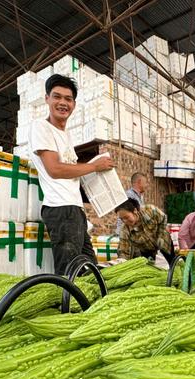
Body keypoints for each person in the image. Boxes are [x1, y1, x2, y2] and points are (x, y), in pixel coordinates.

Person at [29, 73, 114, 274]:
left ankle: (88, 305)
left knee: (88, 269)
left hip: (74, 209)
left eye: (68, 99)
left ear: (74, 104)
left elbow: (70, 172)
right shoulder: (41, 127)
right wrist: (94, 167)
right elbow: (55, 169)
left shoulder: (65, 135)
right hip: (61, 208)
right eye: (57, 96)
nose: (62, 103)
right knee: (70, 271)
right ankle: (66, 306)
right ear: (47, 98)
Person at [115, 198, 175, 263]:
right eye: (121, 219)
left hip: (163, 241)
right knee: (151, 267)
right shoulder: (125, 230)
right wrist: (122, 261)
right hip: (146, 249)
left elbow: (163, 218)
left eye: (126, 217)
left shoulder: (150, 210)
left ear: (135, 210)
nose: (124, 221)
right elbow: (124, 250)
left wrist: (161, 235)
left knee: (172, 262)